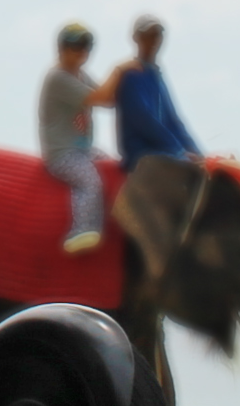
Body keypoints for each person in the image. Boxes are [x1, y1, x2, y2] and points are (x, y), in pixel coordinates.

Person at [38, 23, 119, 255]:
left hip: (84, 149)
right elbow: (100, 97)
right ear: (61, 49)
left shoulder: (80, 75)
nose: (82, 52)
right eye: (76, 46)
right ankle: (81, 230)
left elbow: (110, 98)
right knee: (89, 182)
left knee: (111, 165)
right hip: (62, 153)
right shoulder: (58, 78)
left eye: (87, 46)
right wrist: (118, 71)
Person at [108, 15, 201, 166]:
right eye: (148, 35)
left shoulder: (156, 75)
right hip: (140, 154)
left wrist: (197, 152)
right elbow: (143, 120)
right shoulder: (131, 75)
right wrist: (178, 151)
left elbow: (173, 120)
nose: (153, 40)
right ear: (136, 38)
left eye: (157, 35)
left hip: (163, 150)